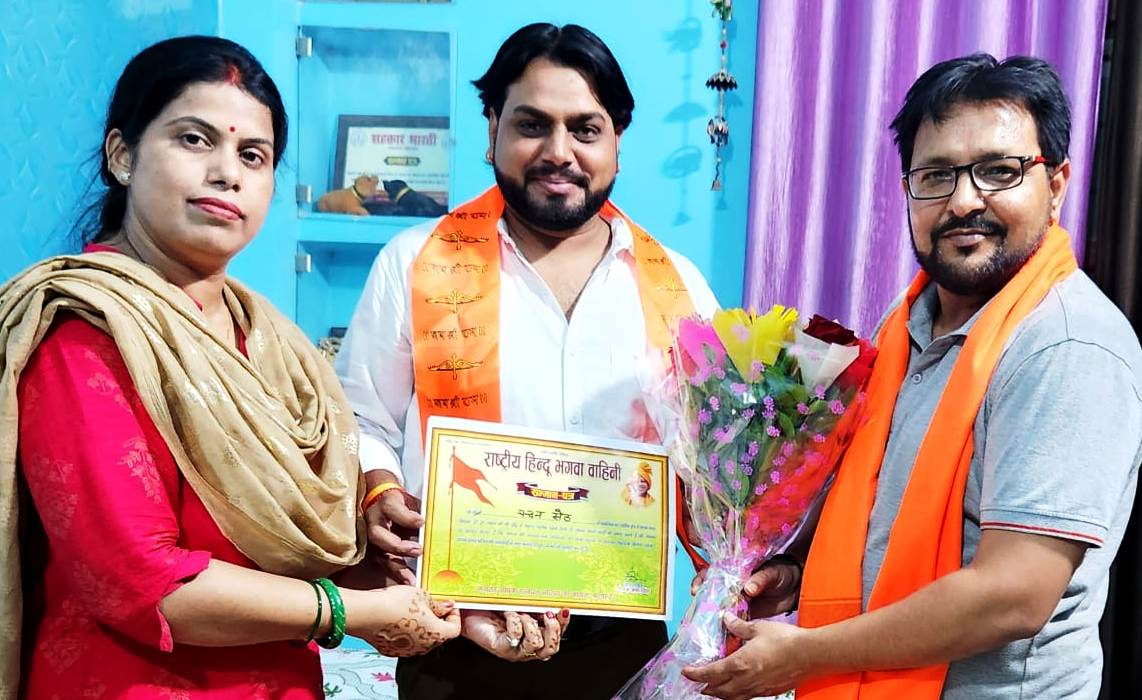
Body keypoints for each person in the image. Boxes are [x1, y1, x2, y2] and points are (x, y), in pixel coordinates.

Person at [0, 36, 459, 699]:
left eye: (252, 155)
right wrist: (349, 613)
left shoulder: (274, 345)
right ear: (122, 155)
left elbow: (288, 551)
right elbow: (144, 584)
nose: (227, 173)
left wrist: (438, 604)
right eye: (194, 140)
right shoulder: (82, 335)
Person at [682, 54, 1142, 700]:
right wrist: (797, 576)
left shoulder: (1065, 344)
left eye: (999, 171)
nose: (963, 200)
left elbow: (1014, 595)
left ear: (1057, 184)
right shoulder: (904, 326)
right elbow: (890, 528)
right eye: (936, 175)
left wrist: (806, 655)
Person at [335, 22, 719, 700]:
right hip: (455, 633)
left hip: (621, 637)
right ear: (492, 130)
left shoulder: (679, 287)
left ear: (617, 143)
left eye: (585, 129)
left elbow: (713, 452)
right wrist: (379, 487)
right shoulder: (414, 263)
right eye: (532, 125)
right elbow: (361, 415)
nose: (558, 152)